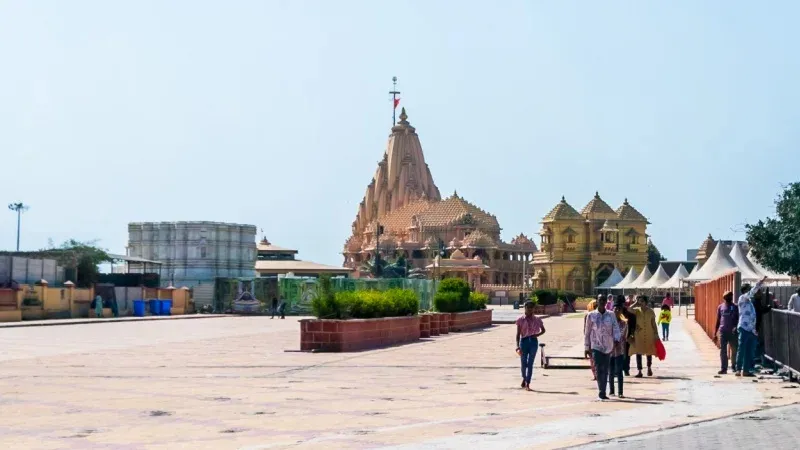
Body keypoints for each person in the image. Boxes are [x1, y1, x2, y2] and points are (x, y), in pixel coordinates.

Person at [584, 297, 621, 400]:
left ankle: (603, 390)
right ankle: (601, 391)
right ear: (597, 301)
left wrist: (617, 340)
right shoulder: (591, 315)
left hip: (608, 346)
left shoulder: (611, 314)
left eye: (604, 300)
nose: (602, 302)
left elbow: (616, 328)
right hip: (596, 346)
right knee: (598, 368)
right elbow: (587, 332)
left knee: (605, 369)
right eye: (600, 300)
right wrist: (586, 347)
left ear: (606, 302)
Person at [736, 276, 766, 377]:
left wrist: (754, 330)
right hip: (744, 328)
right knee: (741, 349)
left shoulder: (749, 302)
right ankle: (738, 369)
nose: (751, 291)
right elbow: (752, 292)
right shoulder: (742, 298)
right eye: (749, 289)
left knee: (749, 351)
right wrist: (760, 283)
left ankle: (746, 370)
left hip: (751, 330)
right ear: (745, 291)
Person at [515, 300, 546, 391]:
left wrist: (537, 335)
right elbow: (518, 334)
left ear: (533, 309)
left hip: (533, 342)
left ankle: (528, 382)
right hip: (524, 342)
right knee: (523, 363)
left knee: (530, 363)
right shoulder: (520, 320)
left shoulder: (537, 319)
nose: (529, 309)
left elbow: (543, 330)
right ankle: (524, 378)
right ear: (525, 308)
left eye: (531, 308)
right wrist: (517, 346)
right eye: (528, 307)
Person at [629, 296, 659, 378]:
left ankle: (649, 368)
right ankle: (639, 371)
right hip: (639, 334)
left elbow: (653, 323)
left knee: (649, 352)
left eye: (642, 301)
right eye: (639, 301)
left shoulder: (651, 311)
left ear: (646, 302)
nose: (640, 303)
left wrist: (656, 334)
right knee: (638, 352)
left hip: (649, 334)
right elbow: (629, 309)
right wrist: (635, 303)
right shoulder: (637, 310)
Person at [715, 291, 739, 374]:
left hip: (733, 332)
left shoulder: (735, 307)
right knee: (723, 351)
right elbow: (718, 320)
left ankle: (734, 366)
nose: (730, 297)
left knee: (734, 350)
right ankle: (724, 368)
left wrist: (736, 327)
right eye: (728, 296)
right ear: (724, 298)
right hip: (723, 332)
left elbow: (738, 319)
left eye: (731, 296)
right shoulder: (720, 307)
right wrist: (715, 333)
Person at [609, 298, 629, 398]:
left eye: (618, 309)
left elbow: (624, 338)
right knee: (611, 372)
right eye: (615, 309)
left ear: (621, 311)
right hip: (610, 351)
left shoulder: (624, 323)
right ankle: (611, 391)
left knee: (619, 371)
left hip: (619, 351)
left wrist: (624, 352)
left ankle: (620, 392)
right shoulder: (609, 323)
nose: (616, 310)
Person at [584, 299, 599, 380]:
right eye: (595, 306)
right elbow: (586, 331)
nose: (596, 307)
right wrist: (586, 345)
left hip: (601, 342)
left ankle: (599, 374)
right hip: (591, 341)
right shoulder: (588, 316)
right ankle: (595, 375)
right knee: (592, 360)